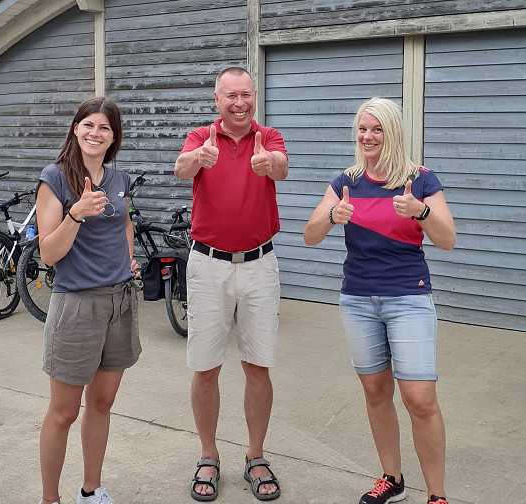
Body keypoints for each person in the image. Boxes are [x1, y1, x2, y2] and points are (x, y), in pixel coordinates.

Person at [303, 97, 456, 504]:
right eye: (362, 128)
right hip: (358, 300)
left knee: (420, 399)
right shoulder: (346, 180)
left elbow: (448, 240)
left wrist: (420, 211)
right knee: (375, 392)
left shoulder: (420, 179)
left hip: (408, 297)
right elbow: (309, 235)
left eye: (377, 129)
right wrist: (331, 215)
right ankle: (392, 478)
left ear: (393, 132)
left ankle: (437, 496)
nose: (367, 136)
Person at [174, 67, 288, 502]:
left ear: (254, 97)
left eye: (246, 95)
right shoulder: (200, 136)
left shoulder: (269, 135)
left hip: (260, 265)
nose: (239, 103)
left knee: (258, 366)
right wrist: (197, 159)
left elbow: (282, 167)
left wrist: (268, 162)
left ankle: (256, 456)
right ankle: (208, 454)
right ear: (216, 99)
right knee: (205, 367)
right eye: (230, 96)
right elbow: (181, 168)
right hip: (209, 265)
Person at [35, 97, 141, 504]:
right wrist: (76, 213)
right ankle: (50, 499)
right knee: (64, 411)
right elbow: (48, 253)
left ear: (114, 137)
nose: (96, 133)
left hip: (120, 302)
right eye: (89, 124)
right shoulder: (55, 178)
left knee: (102, 402)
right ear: (75, 128)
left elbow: (125, 222)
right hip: (77, 305)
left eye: (105, 128)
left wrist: (128, 258)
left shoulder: (118, 178)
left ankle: (90, 491)